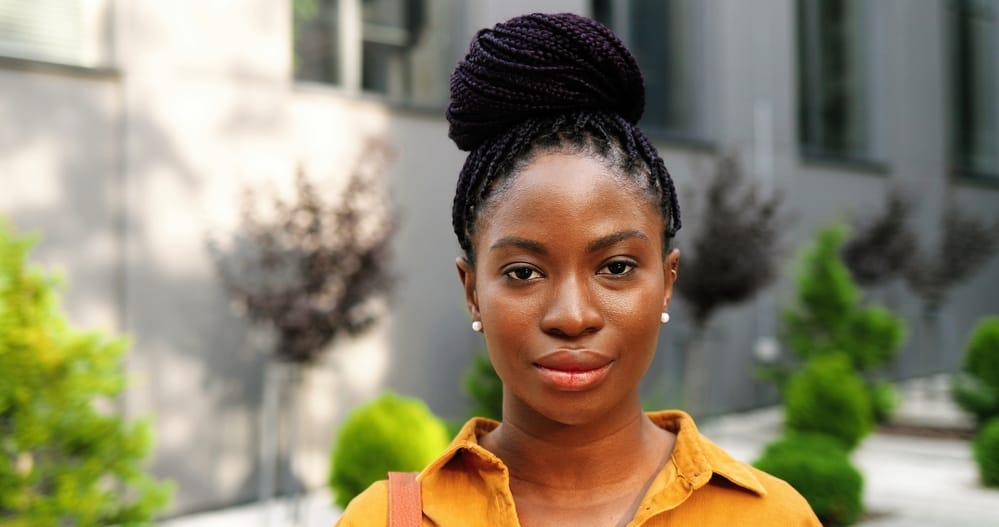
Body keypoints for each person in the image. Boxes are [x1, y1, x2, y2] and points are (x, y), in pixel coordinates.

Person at [336, 12, 820, 526]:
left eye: (615, 267)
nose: (571, 316)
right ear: (472, 290)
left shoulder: (769, 517)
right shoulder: (389, 520)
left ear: (667, 283)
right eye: (523, 272)